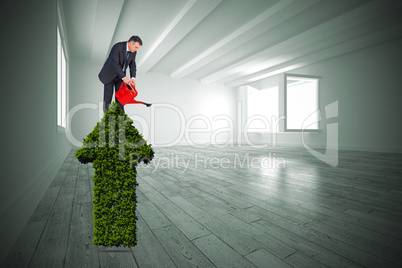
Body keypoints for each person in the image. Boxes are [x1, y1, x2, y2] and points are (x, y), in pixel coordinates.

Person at [99, 35, 142, 113]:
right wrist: (124, 77)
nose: (136, 50)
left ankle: (121, 120)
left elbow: (132, 64)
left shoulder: (133, 52)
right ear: (130, 43)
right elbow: (115, 64)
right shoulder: (117, 47)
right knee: (108, 98)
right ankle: (107, 118)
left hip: (120, 77)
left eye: (137, 48)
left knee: (121, 99)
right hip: (109, 75)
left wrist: (133, 78)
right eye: (136, 47)